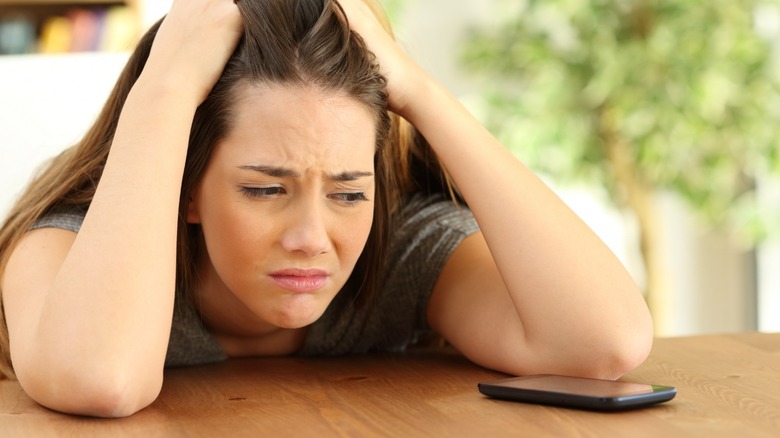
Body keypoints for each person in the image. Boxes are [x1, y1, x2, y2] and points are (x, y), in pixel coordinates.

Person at [0, 0, 653, 417]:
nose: (313, 237)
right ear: (187, 185)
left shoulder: (402, 253)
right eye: (264, 189)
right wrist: (165, 89)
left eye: (348, 192)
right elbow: (100, 382)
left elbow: (605, 343)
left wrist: (421, 93)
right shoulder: (66, 249)